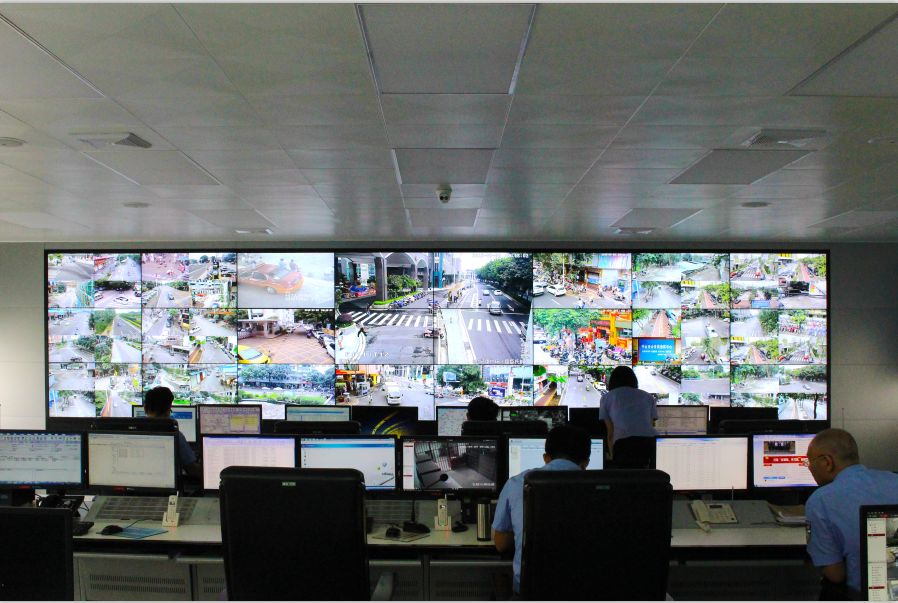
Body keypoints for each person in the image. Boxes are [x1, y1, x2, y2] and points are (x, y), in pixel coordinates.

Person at [493, 424, 591, 596]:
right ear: (585, 463)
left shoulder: (516, 483)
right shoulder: (604, 489)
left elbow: (501, 545)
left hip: (531, 592)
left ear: (546, 458)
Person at [804, 429, 898, 598]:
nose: (809, 468)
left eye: (809, 462)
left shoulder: (820, 501)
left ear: (827, 462)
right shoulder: (894, 480)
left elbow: (835, 574)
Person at [599, 365, 658, 462]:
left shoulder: (607, 398)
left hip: (622, 447)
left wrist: (612, 456)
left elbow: (611, 433)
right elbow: (650, 425)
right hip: (650, 444)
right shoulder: (648, 396)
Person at [143, 386, 202, 479]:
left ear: (145, 409)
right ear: (168, 411)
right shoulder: (174, 434)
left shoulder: (132, 431)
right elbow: (192, 470)